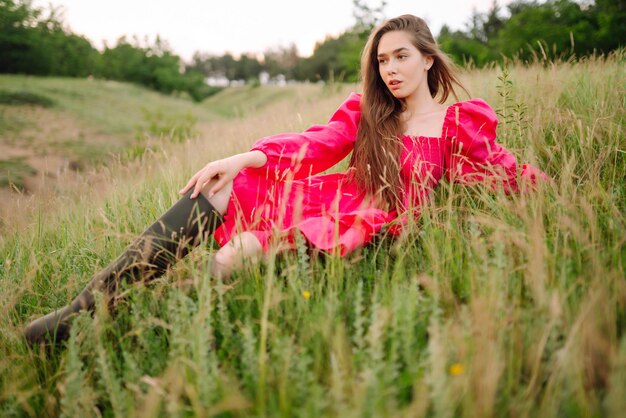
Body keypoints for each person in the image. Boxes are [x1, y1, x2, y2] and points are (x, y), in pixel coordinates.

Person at [24, 15, 546, 345]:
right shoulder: (369, 111)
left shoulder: (458, 123)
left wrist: (559, 189)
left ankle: (134, 329)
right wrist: (242, 158)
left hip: (372, 218)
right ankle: (87, 308)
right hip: (328, 196)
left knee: (233, 256)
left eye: (401, 56)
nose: (390, 68)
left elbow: (503, 173)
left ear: (429, 59)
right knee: (217, 189)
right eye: (382, 59)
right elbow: (315, 144)